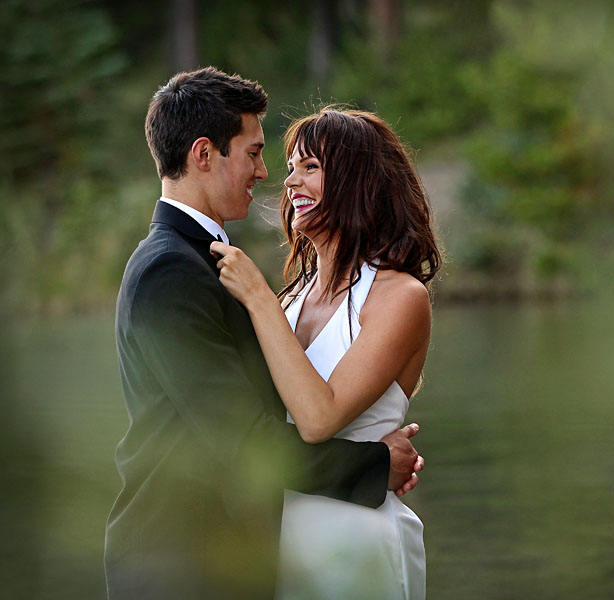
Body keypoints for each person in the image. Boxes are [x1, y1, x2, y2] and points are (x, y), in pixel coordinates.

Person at [105, 68, 424, 600]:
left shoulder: (220, 269)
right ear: (205, 154)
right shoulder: (173, 270)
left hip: (285, 547)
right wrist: (372, 465)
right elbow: (244, 438)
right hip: (182, 563)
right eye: (254, 153)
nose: (269, 173)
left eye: (307, 166)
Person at [210, 106, 441, 599]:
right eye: (291, 166)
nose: (289, 182)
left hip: (355, 542)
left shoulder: (399, 297)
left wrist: (255, 297)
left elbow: (319, 417)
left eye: (310, 167)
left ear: (359, 181)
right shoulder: (291, 298)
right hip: (283, 541)